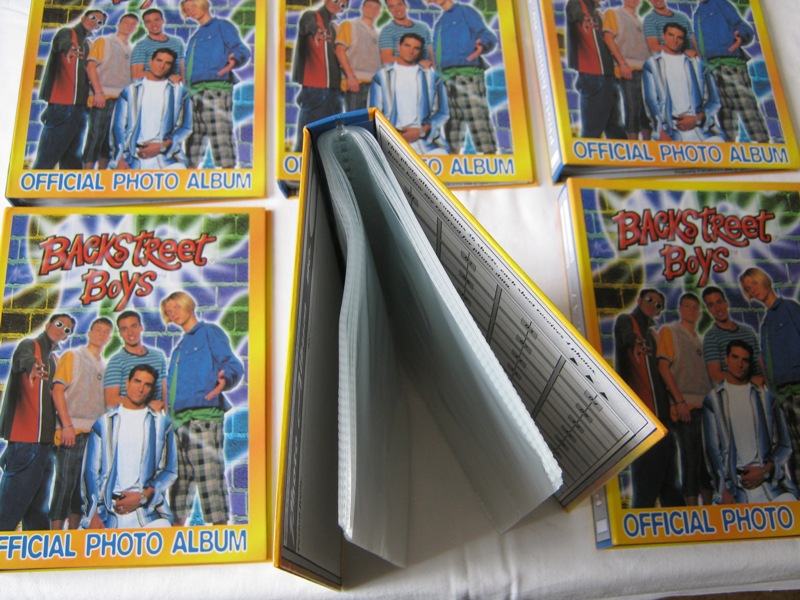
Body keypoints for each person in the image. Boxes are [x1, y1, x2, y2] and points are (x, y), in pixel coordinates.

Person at [162, 291, 244, 525]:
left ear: (188, 304)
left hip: (202, 417)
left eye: (176, 307)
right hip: (178, 422)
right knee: (178, 486)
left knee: (210, 480)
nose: (173, 314)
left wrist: (223, 381)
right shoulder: (179, 348)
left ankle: (220, 532)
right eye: (168, 311)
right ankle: (175, 533)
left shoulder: (209, 332)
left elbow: (232, 364)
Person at [0, 314, 75, 531]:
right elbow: (23, 360)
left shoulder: (55, 360)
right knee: (8, 512)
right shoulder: (30, 346)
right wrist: (32, 366)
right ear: (49, 324)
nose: (62, 330)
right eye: (59, 324)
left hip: (45, 447)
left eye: (67, 330)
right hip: (26, 443)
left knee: (38, 516)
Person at [82, 364, 177, 529]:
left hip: (147, 512)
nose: (141, 388)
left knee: (164, 533)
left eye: (147, 384)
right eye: (137, 381)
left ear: (151, 389)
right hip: (107, 512)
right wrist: (93, 514)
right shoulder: (104, 423)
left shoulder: (162, 424)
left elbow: (170, 470)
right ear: (127, 382)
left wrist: (143, 496)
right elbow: (90, 472)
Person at [703, 340, 797, 504]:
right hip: (734, 487)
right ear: (726, 359)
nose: (740, 364)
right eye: (735, 357)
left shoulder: (766, 398)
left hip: (769, 484)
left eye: (745, 360)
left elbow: (785, 444)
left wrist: (765, 471)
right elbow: (711, 451)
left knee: (791, 505)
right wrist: (723, 489)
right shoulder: (713, 400)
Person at [614, 289, 683, 508]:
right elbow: (627, 337)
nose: (653, 304)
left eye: (658, 304)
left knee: (669, 483)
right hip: (644, 420)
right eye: (650, 300)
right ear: (639, 300)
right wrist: (635, 341)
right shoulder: (627, 321)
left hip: (662, 420)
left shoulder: (654, 335)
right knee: (645, 487)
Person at [49, 318, 113, 531]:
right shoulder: (73, 356)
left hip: (93, 435)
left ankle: (73, 533)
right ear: (90, 332)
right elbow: (57, 391)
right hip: (72, 431)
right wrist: (66, 426)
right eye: (98, 330)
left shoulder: (105, 366)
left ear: (109, 337)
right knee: (64, 484)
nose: (101, 334)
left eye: (106, 331)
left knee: (82, 488)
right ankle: (55, 534)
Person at [739, 267, 800, 484]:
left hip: (797, 389)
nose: (753, 290)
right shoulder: (765, 325)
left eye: (754, 284)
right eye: (748, 289)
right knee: (794, 450)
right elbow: (767, 363)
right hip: (783, 396)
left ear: (764, 281)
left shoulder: (789, 308)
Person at [656, 293, 713, 505]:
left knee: (703, 459)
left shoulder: (700, 340)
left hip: (704, 406)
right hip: (684, 405)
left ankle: (708, 506)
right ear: (680, 309)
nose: (691, 310)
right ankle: (691, 509)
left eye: (695, 307)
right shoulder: (670, 332)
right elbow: (663, 367)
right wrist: (678, 402)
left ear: (699, 312)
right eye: (686, 306)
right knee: (691, 457)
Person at [181, 0, 251, 169]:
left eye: (193, 6)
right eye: (187, 10)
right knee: (195, 137)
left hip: (215, 88)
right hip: (194, 92)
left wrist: (231, 63)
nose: (191, 11)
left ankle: (228, 173)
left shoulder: (221, 26)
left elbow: (241, 50)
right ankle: (189, 173)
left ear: (202, 4)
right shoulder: (195, 37)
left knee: (220, 134)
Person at [33, 9, 106, 169]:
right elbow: (63, 44)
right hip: (62, 107)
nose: (95, 22)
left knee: (72, 162)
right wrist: (69, 49)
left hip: (80, 109)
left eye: (99, 22)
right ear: (84, 17)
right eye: (93, 17)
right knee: (46, 160)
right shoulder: (67, 33)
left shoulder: (88, 44)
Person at [693, 0, 770, 143]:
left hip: (730, 63)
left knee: (745, 105)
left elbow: (742, 26)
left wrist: (739, 39)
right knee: (724, 111)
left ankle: (763, 143)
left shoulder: (720, 3)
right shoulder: (697, 13)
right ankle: (729, 146)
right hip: (711, 68)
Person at [427, 0, 497, 154]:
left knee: (477, 116)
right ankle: (453, 156)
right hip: (446, 78)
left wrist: (480, 48)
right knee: (453, 122)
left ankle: (490, 156)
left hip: (467, 74)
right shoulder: (440, 23)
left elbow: (486, 35)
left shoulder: (465, 12)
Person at [111, 48, 192, 170]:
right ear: (150, 61)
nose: (162, 66)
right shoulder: (130, 91)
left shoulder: (180, 92)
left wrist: (163, 146)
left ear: (171, 67)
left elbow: (186, 127)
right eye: (159, 60)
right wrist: (120, 158)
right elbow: (118, 127)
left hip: (167, 158)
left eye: (167, 63)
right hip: (134, 158)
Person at [642, 23, 723, 142]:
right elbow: (650, 102)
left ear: (683, 40)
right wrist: (660, 132)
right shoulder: (652, 65)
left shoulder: (697, 64)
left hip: (701, 129)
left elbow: (714, 100)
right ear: (664, 36)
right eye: (671, 35)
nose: (675, 40)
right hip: (670, 131)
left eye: (679, 37)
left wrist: (697, 119)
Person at [369, 33, 449, 154]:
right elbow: (373, 113)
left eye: (416, 48)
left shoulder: (431, 76)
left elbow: (443, 112)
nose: (411, 51)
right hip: (391, 142)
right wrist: (395, 134)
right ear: (399, 46)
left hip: (425, 143)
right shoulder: (382, 76)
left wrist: (422, 131)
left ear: (420, 51)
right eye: (407, 45)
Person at [82, 13, 139, 170]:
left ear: (136, 28)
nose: (129, 26)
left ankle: (103, 174)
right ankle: (86, 173)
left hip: (122, 100)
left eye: (133, 24)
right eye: (126, 22)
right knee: (95, 136)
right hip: (104, 96)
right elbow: (91, 67)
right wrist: (98, 92)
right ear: (119, 24)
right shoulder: (104, 41)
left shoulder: (132, 49)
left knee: (110, 141)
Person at [565, 0, 625, 140]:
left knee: (615, 129)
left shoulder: (597, 13)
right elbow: (575, 15)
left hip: (608, 76)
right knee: (592, 133)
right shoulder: (577, 4)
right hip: (593, 75)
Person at [291, 0, 345, 152]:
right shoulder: (311, 16)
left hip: (334, 89)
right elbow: (307, 27)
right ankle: (299, 165)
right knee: (306, 141)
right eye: (336, 1)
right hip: (315, 87)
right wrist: (316, 31)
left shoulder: (334, 28)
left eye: (343, 4)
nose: (339, 5)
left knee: (331, 140)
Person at [602, 0, 652, 140]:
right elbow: (608, 38)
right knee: (632, 108)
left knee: (645, 111)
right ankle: (633, 147)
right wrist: (622, 64)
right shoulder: (614, 13)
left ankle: (648, 146)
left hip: (645, 69)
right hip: (628, 68)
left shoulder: (640, 21)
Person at [103, 311, 167, 412]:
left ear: (141, 327)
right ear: (120, 333)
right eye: (124, 329)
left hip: (156, 417)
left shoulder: (158, 356)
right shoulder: (116, 361)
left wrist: (167, 416)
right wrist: (147, 406)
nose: (130, 332)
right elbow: (111, 401)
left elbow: (165, 394)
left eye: (134, 326)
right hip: (128, 416)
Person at [701, 286, 763, 386]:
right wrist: (750, 381)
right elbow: (716, 375)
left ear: (726, 303)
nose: (717, 308)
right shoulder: (711, 337)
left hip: (758, 389)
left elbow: (760, 365)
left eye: (719, 302)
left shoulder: (748, 331)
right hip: (732, 391)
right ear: (708, 309)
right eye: (711, 305)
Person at [336, 0, 382, 111]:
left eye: (376, 8)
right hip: (356, 83)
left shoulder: (378, 34)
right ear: (363, 8)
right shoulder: (349, 25)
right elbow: (339, 50)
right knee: (355, 119)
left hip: (374, 85)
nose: (372, 10)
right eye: (369, 6)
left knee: (371, 120)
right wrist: (350, 77)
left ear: (379, 12)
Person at [130, 7, 185, 80]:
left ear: (163, 21)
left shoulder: (177, 42)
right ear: (145, 25)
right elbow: (136, 75)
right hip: (152, 86)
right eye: (148, 21)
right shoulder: (141, 46)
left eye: (156, 20)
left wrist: (183, 85)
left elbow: (182, 70)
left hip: (176, 85)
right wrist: (167, 78)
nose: (153, 24)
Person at [379, 0, 433, 65]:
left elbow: (431, 53)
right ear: (389, 10)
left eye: (399, 4)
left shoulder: (423, 27)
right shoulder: (387, 31)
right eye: (392, 6)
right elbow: (386, 59)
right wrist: (418, 64)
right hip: (401, 70)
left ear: (406, 5)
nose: (397, 9)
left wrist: (434, 68)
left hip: (427, 69)